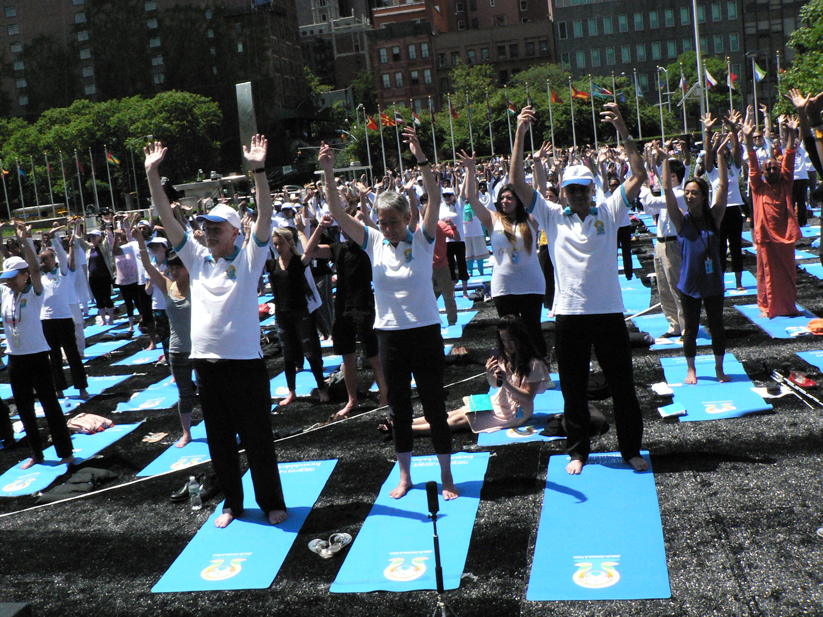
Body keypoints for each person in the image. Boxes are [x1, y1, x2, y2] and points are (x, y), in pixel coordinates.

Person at [144, 136, 287, 528]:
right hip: (206, 366)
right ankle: (232, 504)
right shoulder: (197, 258)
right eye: (205, 226)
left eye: (216, 228)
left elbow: (264, 213)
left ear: (235, 232)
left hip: (245, 367)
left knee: (257, 441)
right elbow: (167, 218)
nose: (207, 232)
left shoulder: (251, 257)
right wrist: (152, 174)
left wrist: (258, 169)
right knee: (221, 443)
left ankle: (272, 501)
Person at [318, 129, 459, 501]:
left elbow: (431, 198)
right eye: (382, 221)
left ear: (406, 217)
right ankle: (405, 475)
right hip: (390, 337)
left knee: (434, 407)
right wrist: (329, 174)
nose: (388, 227)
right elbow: (336, 213)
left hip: (425, 333)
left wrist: (421, 157)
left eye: (393, 221)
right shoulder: (374, 241)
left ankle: (446, 474)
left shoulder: (423, 237)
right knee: (398, 409)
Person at [510, 103, 649, 476]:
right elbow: (518, 185)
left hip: (608, 313)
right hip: (569, 314)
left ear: (592, 188)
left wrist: (622, 126)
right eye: (569, 189)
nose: (575, 195)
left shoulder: (608, 210)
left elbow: (638, 173)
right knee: (572, 389)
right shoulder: (553, 216)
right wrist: (521, 134)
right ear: (563, 191)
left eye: (581, 189)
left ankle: (630, 449)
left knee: (623, 386)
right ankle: (578, 451)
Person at [459, 150, 547, 360]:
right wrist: (470, 169)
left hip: (531, 285)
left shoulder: (531, 220)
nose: (505, 201)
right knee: (508, 333)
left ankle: (540, 369)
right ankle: (514, 369)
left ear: (518, 200)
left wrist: (537, 163)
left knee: (532, 329)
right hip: (503, 286)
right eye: (502, 198)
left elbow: (540, 191)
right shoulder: (493, 219)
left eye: (510, 197)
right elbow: (471, 198)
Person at [1, 222, 74, 470]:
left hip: (38, 356)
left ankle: (65, 451)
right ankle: (37, 453)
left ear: (23, 276)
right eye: (6, 279)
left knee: (49, 405)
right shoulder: (4, 292)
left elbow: (34, 269)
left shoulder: (35, 291)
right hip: (16, 358)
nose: (9, 282)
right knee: (23, 408)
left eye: (13, 278)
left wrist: (25, 241)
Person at [403, 315, 552, 435]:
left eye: (511, 339)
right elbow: (495, 385)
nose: (508, 344)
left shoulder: (534, 363)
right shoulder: (505, 356)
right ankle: (404, 423)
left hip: (516, 412)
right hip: (500, 400)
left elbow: (527, 397)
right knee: (456, 413)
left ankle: (404, 430)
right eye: (504, 340)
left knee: (459, 421)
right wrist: (490, 374)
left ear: (520, 337)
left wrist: (506, 383)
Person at [302, 211, 388, 417]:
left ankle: (385, 397)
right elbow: (309, 250)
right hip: (342, 308)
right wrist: (321, 227)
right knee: (346, 357)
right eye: (342, 226)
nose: (345, 229)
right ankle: (352, 400)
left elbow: (375, 232)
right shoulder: (337, 248)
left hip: (364, 307)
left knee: (373, 356)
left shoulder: (369, 247)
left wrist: (360, 219)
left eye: (348, 226)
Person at [662, 137, 732, 384]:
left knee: (717, 326)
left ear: (703, 196)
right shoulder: (681, 220)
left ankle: (719, 368)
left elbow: (722, 186)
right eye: (687, 193)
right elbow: (668, 192)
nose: (689, 196)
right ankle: (691, 369)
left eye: (694, 193)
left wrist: (720, 155)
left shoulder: (714, 217)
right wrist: (664, 164)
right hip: (689, 284)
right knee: (690, 329)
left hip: (713, 283)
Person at [134, 230, 194, 447]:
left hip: (201, 348)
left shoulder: (198, 285)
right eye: (172, 268)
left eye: (179, 267)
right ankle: (186, 433)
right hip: (178, 349)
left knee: (210, 393)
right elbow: (148, 266)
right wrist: (141, 241)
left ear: (188, 268)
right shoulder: (168, 287)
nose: (175, 271)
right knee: (184, 394)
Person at [742, 105, 801, 318]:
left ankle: (788, 306)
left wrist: (792, 132)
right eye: (769, 168)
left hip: (785, 237)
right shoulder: (758, 186)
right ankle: (766, 307)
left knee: (787, 274)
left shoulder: (786, 183)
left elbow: (790, 157)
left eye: (775, 168)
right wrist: (747, 139)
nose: (772, 170)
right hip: (766, 237)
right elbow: (752, 162)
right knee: (765, 274)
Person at [268, 223, 330, 406]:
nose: (278, 248)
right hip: (282, 315)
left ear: (290, 243)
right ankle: (291, 392)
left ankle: (321, 388)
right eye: (275, 244)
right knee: (288, 355)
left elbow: (310, 251)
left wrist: (316, 228)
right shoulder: (271, 264)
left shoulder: (298, 262)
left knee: (310, 352)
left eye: (280, 244)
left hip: (301, 313)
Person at [38, 227, 90, 400]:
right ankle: (58, 388)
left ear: (54, 261)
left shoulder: (63, 273)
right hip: (46, 320)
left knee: (72, 354)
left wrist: (54, 239)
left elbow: (62, 255)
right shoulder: (41, 278)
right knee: (53, 357)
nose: (43, 264)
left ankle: (82, 388)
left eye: (45, 261)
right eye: (41, 261)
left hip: (64, 318)